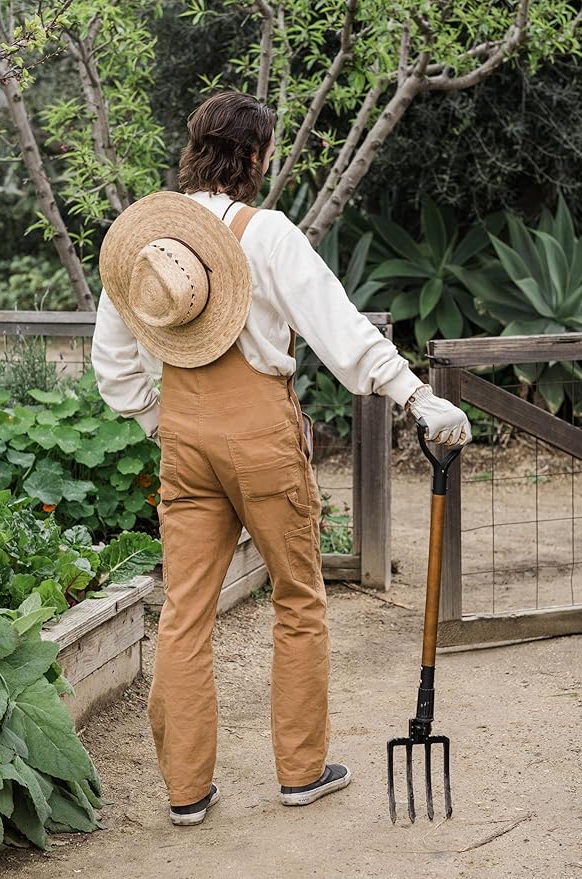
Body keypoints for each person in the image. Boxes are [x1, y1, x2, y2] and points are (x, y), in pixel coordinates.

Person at [92, 91, 471, 827]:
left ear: (194, 145)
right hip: (261, 434)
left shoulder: (142, 241)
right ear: (257, 157)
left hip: (185, 435)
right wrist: (417, 396)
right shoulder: (266, 236)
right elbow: (339, 329)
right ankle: (301, 771)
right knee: (298, 598)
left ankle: (186, 793)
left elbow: (113, 365)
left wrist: (160, 421)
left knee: (184, 613)